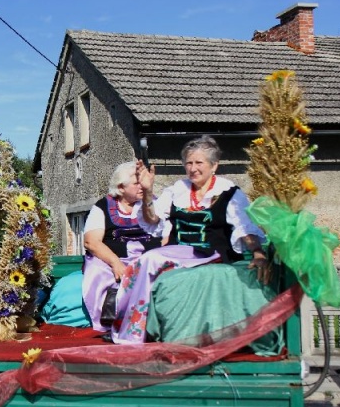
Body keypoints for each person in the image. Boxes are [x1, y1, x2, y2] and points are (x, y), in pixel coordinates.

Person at [114, 135, 270, 344]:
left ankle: (135, 330)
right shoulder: (178, 190)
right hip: (178, 252)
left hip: (212, 253)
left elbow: (244, 228)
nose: (193, 168)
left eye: (199, 163)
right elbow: (152, 219)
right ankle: (133, 325)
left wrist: (258, 253)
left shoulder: (230, 192)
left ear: (214, 165)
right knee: (142, 263)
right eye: (188, 163)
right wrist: (148, 192)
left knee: (150, 259)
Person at [81, 162, 163, 331]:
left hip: (147, 258)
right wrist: (115, 263)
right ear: (121, 187)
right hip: (113, 259)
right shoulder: (102, 207)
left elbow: (166, 234)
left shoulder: (153, 203)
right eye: (136, 183)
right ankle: (110, 319)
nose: (142, 186)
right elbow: (91, 241)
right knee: (98, 270)